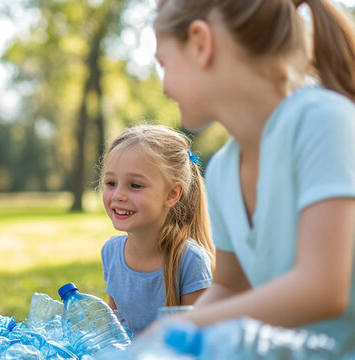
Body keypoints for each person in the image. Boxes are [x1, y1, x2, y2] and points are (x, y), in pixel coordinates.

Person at [149, 0, 355, 353]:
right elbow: (231, 287)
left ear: (201, 43)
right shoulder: (224, 169)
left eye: (163, 63)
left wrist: (179, 325)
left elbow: (323, 289)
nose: (164, 86)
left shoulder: (322, 121)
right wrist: (166, 344)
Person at [100, 124, 215, 336]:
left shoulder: (189, 260)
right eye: (111, 183)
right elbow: (116, 331)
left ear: (172, 194)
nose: (118, 195)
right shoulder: (111, 252)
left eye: (135, 185)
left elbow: (197, 341)